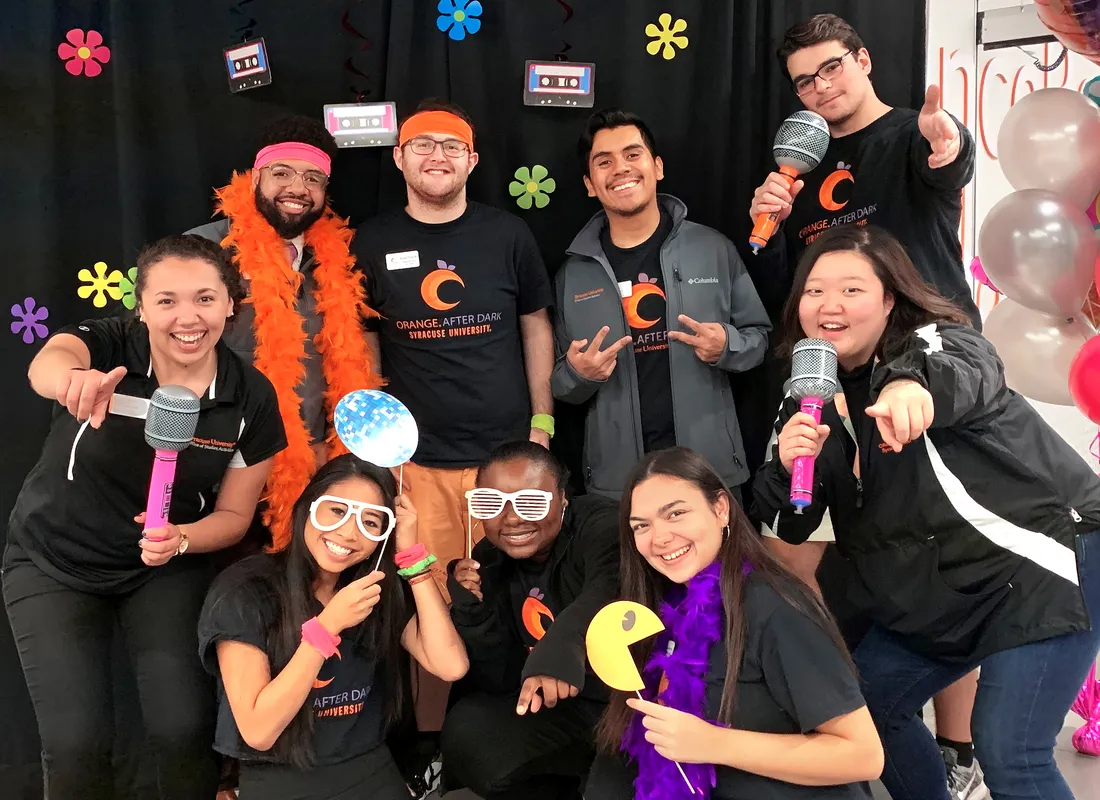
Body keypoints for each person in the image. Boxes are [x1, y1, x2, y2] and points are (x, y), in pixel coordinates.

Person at [752, 224, 1100, 800]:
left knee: (1010, 748)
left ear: (891, 300)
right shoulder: (808, 395)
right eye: (815, 291)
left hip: (1046, 558)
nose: (829, 305)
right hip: (944, 587)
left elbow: (967, 369)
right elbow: (792, 521)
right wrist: (789, 469)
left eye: (852, 290)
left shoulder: (931, 344)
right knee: (867, 713)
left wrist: (912, 389)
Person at [746, 15, 983, 787]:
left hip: (927, 371)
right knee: (841, 546)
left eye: (831, 69)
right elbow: (792, 284)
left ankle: (959, 753)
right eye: (806, 81)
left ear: (864, 60)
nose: (821, 87)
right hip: (835, 377)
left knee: (943, 561)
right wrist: (768, 223)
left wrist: (949, 149)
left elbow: (946, 166)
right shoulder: (802, 168)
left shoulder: (912, 134)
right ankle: (864, 727)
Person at [3, 234, 286, 799]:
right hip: (53, 560)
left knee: (183, 730)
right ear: (141, 307)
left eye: (206, 298)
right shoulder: (109, 345)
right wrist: (71, 382)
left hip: (164, 565)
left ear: (232, 303)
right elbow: (49, 362)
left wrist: (181, 539)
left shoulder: (250, 395)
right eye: (167, 300)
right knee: (76, 743)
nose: (188, 317)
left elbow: (234, 513)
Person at [584, 447, 883, 800]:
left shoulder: (776, 608)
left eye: (676, 513)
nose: (659, 538)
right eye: (642, 526)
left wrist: (714, 743)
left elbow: (863, 755)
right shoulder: (665, 609)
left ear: (721, 508)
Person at [356, 101, 555, 600]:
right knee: (434, 604)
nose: (437, 156)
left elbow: (536, 327)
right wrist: (375, 442)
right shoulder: (370, 241)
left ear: (472, 160)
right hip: (417, 464)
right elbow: (364, 341)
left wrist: (542, 424)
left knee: (517, 600)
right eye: (423, 144)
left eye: (452, 146)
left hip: (508, 459)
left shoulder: (508, 234)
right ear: (399, 157)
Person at [196, 455, 468, 800]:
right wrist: (326, 627)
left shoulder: (375, 589)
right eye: (337, 511)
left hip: (367, 767)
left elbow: (450, 665)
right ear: (308, 507)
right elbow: (258, 730)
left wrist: (412, 558)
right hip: (281, 777)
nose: (349, 533)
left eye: (371, 522)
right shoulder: (245, 589)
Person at [553, 109, 770, 500]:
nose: (620, 168)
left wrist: (727, 346)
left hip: (710, 474)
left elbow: (760, 340)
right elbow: (560, 384)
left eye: (632, 155)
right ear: (589, 184)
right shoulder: (573, 273)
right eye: (604, 161)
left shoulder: (713, 248)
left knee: (719, 566)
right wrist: (580, 373)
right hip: (617, 488)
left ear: (657, 167)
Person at [189, 115, 379, 551]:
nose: (298, 188)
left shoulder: (335, 259)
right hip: (223, 468)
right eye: (282, 174)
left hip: (314, 470)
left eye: (313, 178)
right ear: (256, 177)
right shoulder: (205, 250)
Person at [441, 441, 620, 800]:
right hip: (567, 713)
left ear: (563, 497)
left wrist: (560, 647)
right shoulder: (488, 558)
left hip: (629, 706)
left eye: (531, 502)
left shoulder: (601, 523)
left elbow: (612, 584)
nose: (512, 518)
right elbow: (501, 678)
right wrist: (473, 613)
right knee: (468, 730)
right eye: (491, 504)